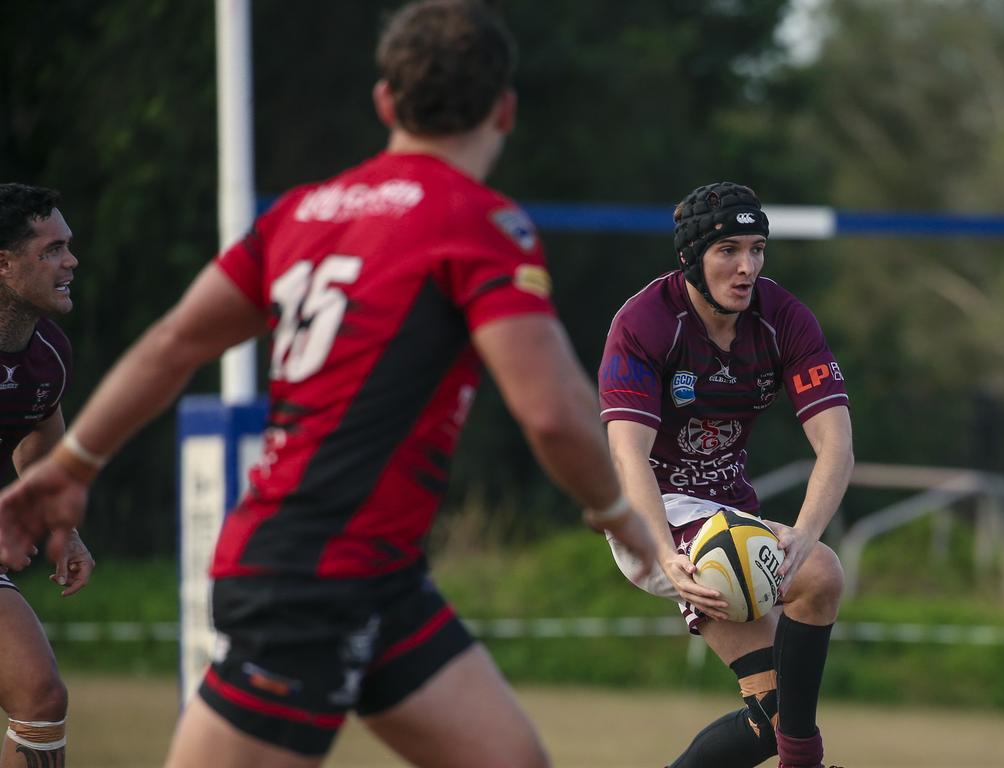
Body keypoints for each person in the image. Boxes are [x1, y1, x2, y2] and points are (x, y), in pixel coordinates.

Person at [0, 3, 657, 767]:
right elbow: (551, 412)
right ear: (505, 109)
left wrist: (75, 464)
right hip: (313, 572)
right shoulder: (476, 221)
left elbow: (173, 342)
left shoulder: (303, 212)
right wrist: (619, 515)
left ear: (384, 103)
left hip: (380, 573)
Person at [598, 182, 853, 768]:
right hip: (654, 514)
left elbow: (836, 444)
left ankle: (792, 748)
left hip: (728, 511)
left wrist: (805, 530)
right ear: (691, 257)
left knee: (769, 718)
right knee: (823, 575)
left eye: (757, 248)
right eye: (728, 250)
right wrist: (663, 553)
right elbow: (627, 455)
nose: (747, 267)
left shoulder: (782, 317)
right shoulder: (645, 322)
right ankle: (804, 760)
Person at [0, 183, 96, 767]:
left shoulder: (48, 355)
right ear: (4, 264)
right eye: (52, 250)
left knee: (40, 695)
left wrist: (63, 529)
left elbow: (37, 446)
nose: (71, 262)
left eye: (69, 246)